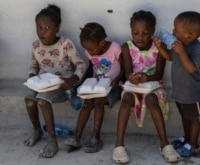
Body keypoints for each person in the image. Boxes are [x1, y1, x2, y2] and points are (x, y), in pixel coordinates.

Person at [112, 10, 180, 164]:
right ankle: (119, 145)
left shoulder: (158, 47)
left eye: (145, 33)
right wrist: (132, 77)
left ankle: (164, 144)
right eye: (135, 33)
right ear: (131, 31)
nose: (140, 37)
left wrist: (147, 77)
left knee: (151, 99)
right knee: (126, 99)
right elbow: (128, 72)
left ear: (152, 32)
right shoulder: (126, 47)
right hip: (133, 87)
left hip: (153, 87)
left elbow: (159, 74)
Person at [23, 4, 86, 158]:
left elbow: (81, 64)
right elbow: (33, 65)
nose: (42, 32)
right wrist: (32, 76)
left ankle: (52, 141)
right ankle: (37, 130)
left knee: (42, 100)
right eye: (39, 27)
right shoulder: (36, 46)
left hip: (63, 85)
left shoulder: (65, 44)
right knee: (29, 99)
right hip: (43, 84)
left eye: (47, 27)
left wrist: (72, 80)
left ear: (57, 28)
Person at [64, 22, 124, 153]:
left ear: (102, 42)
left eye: (91, 49)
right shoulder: (90, 50)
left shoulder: (115, 48)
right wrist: (81, 84)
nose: (89, 52)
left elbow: (125, 67)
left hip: (113, 87)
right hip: (96, 86)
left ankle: (96, 138)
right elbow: (92, 67)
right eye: (86, 49)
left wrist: (117, 81)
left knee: (98, 102)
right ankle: (77, 137)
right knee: (87, 103)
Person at [154, 11, 200, 157]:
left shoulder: (196, 48)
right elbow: (170, 57)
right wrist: (160, 48)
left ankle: (194, 145)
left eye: (176, 30)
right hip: (180, 91)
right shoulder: (178, 44)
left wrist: (182, 52)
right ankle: (187, 138)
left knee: (193, 118)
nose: (173, 32)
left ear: (189, 35)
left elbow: (191, 68)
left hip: (192, 92)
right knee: (184, 116)